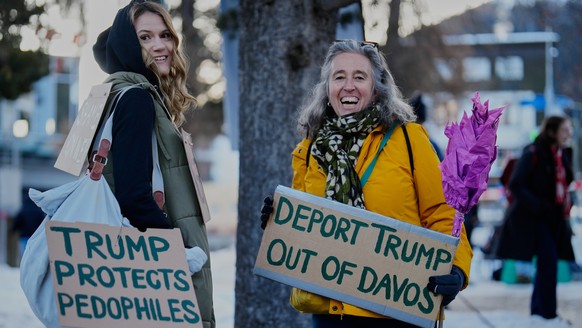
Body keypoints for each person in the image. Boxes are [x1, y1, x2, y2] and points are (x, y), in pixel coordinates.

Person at [263, 40, 473, 327]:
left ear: (377, 88)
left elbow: (443, 210)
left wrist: (456, 269)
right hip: (330, 313)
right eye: (339, 77)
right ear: (327, 88)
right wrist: (281, 221)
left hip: (396, 310)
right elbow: (308, 230)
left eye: (359, 77)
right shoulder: (311, 150)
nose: (348, 86)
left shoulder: (409, 139)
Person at [92, 1, 215, 327]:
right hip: (153, 274)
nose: (160, 46)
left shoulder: (112, 93)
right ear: (128, 45)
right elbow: (134, 196)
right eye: (145, 37)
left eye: (165, 35)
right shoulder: (135, 98)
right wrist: (179, 251)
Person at [496, 115, 576, 321]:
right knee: (548, 260)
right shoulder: (533, 153)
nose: (569, 134)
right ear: (551, 132)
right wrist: (539, 206)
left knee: (548, 262)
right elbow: (516, 184)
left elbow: (566, 182)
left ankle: (542, 311)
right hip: (535, 218)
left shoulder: (561, 154)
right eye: (564, 130)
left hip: (555, 218)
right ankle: (545, 313)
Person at [408, 92, 444, 161]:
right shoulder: (431, 144)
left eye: (419, 122)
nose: (417, 126)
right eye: (414, 122)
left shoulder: (432, 145)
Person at [12, 192, 45, 257]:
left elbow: (17, 222)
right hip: (35, 237)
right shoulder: (38, 211)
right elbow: (43, 224)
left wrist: (13, 230)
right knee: (34, 254)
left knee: (24, 254)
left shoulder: (23, 211)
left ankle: (25, 266)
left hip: (24, 236)